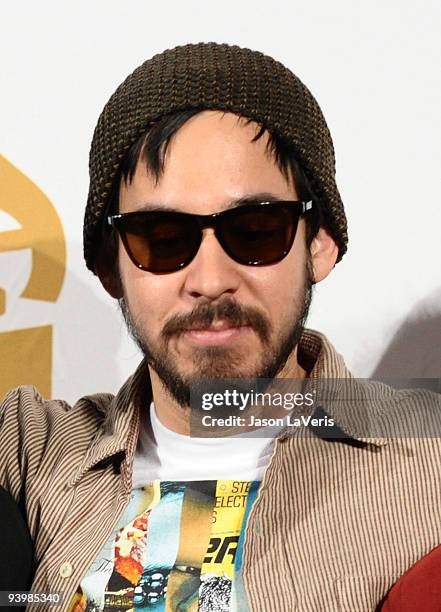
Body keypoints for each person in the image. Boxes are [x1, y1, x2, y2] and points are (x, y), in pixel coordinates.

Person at [1, 42, 440, 612]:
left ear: (321, 245)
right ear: (111, 266)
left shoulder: (429, 461)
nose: (209, 280)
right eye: (162, 239)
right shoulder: (33, 450)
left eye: (255, 230)